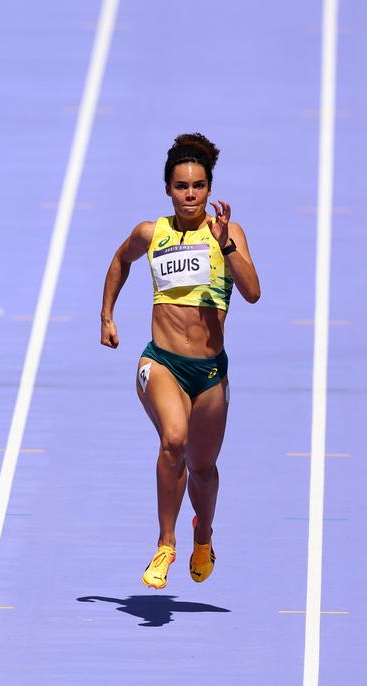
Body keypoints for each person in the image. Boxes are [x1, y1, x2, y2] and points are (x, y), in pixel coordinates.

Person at [100, 133, 261, 589]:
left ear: (209, 189)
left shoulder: (227, 234)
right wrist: (107, 314)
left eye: (198, 186)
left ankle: (203, 535)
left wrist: (227, 246)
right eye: (180, 186)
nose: (189, 194)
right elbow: (119, 261)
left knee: (204, 467)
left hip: (210, 373)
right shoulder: (152, 233)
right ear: (167, 189)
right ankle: (165, 543)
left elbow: (252, 292)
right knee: (174, 440)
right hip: (162, 363)